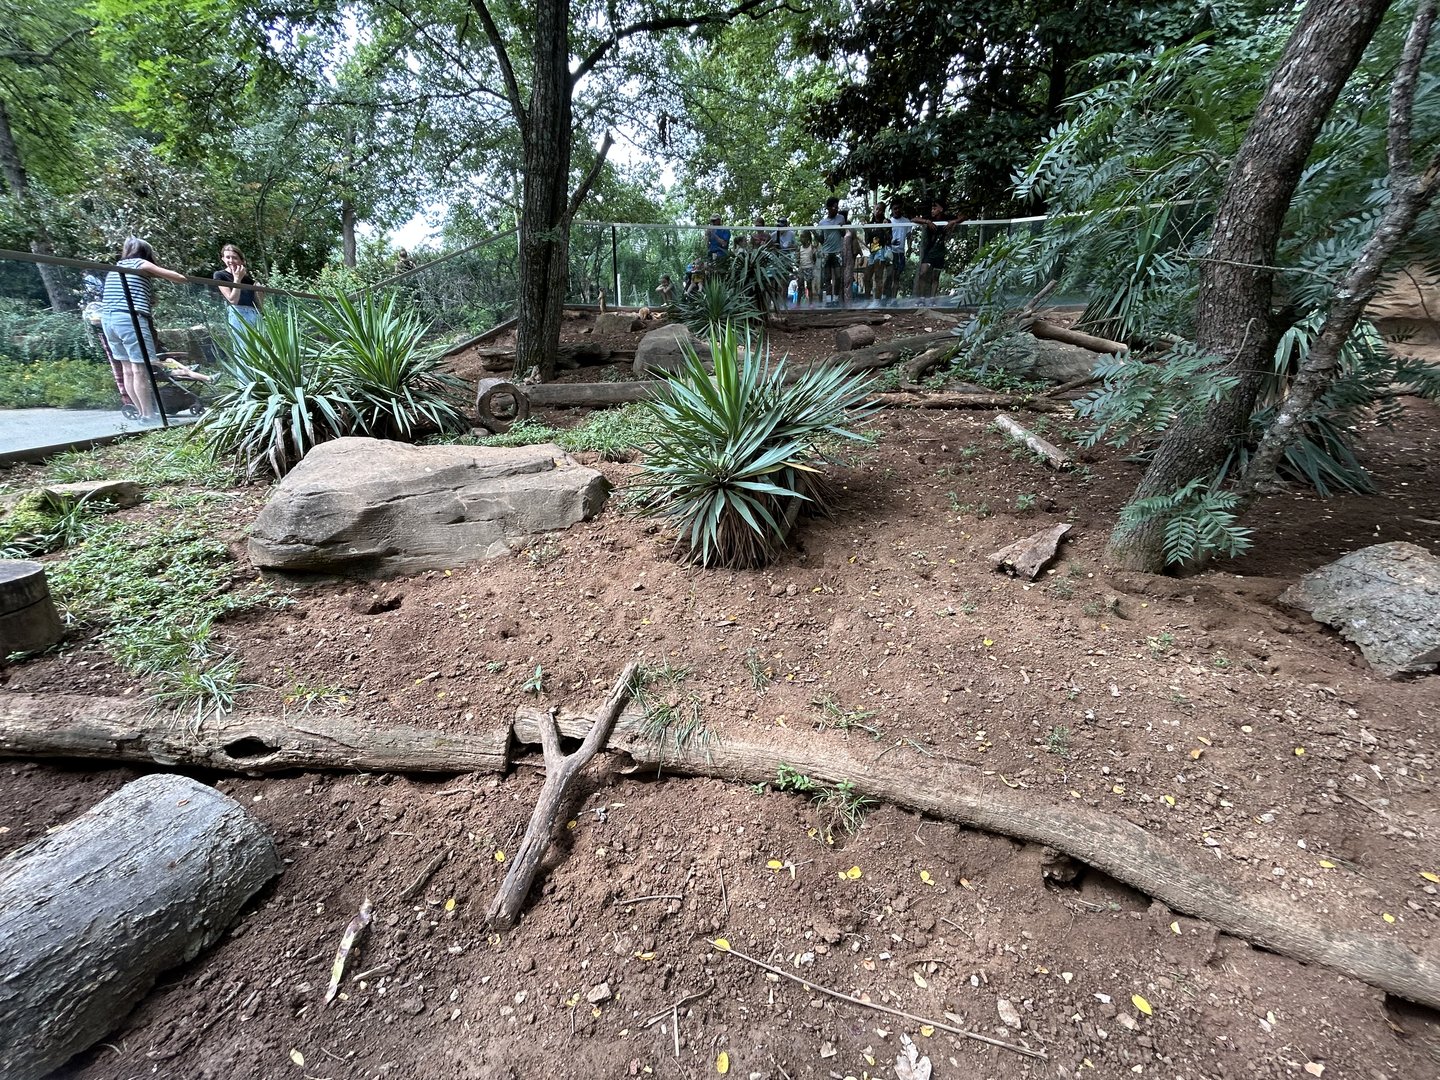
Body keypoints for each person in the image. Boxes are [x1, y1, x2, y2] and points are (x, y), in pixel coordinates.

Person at [101, 237, 188, 423]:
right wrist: (158, 273)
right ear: (146, 253)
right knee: (140, 369)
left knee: (128, 370)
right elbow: (179, 278)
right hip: (129, 318)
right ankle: (149, 415)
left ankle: (142, 413)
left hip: (108, 320)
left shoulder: (117, 268)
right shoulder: (139, 263)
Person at [915, 200, 964, 301]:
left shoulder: (947, 218)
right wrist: (927, 221)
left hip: (940, 250)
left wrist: (954, 222)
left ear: (941, 209)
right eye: (932, 209)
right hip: (929, 250)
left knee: (935, 276)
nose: (932, 211)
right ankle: (921, 299)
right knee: (922, 273)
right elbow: (913, 219)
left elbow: (963, 216)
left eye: (935, 208)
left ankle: (932, 299)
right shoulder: (930, 218)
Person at [214, 244, 261, 334]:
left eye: (234, 258)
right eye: (228, 257)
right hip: (237, 313)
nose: (231, 261)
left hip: (253, 314)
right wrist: (237, 279)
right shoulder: (220, 275)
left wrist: (260, 292)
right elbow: (233, 300)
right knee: (242, 346)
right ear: (223, 259)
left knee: (258, 347)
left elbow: (259, 307)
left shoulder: (249, 280)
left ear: (242, 261)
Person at [817, 197, 845, 306]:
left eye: (837, 207)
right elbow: (821, 240)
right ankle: (828, 300)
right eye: (834, 207)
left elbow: (843, 234)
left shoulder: (841, 218)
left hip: (837, 251)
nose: (836, 209)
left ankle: (836, 299)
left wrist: (841, 229)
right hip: (826, 252)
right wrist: (814, 233)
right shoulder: (822, 223)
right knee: (827, 277)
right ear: (828, 208)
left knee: (838, 277)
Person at [887, 202, 914, 301]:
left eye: (898, 208)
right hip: (891, 252)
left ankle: (893, 298)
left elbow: (909, 236)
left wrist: (910, 248)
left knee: (897, 276)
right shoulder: (889, 222)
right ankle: (886, 298)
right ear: (892, 210)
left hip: (901, 252)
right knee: (890, 275)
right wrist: (891, 242)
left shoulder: (906, 221)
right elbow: (885, 238)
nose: (897, 210)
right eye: (895, 208)